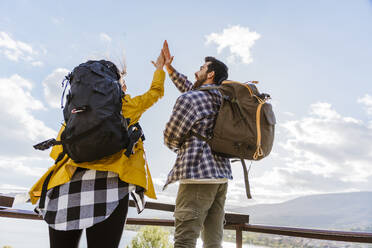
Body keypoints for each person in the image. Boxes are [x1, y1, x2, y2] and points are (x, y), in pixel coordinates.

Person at [29, 47, 166, 248]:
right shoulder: (125, 105)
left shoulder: (74, 111)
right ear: (117, 85)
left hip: (65, 189)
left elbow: (58, 152)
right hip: (109, 190)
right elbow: (155, 93)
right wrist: (160, 69)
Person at [162, 41, 233, 248]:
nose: (196, 71)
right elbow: (189, 88)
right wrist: (170, 68)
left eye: (202, 68)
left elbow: (171, 135)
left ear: (210, 74)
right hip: (221, 176)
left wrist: (178, 147)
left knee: (185, 239)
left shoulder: (191, 99)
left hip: (197, 175)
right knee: (213, 241)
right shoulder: (223, 100)